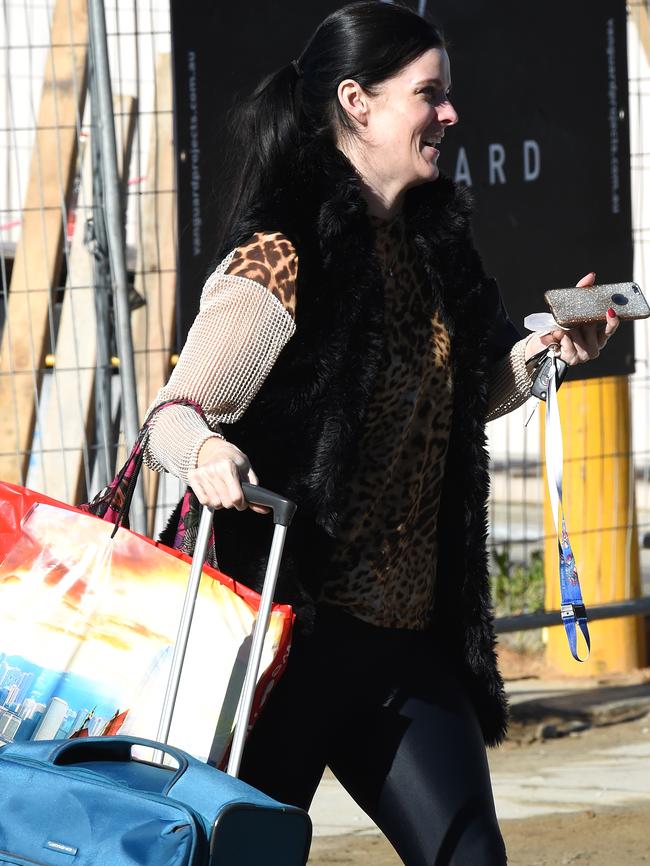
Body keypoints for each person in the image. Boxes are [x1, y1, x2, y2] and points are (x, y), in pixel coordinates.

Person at [144, 4, 619, 863]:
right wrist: (209, 451)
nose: (450, 114)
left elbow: (464, 392)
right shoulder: (281, 257)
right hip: (281, 649)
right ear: (357, 103)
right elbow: (172, 416)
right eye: (429, 95)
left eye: (449, 95)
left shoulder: (438, 247)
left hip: (407, 646)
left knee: (471, 857)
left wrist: (548, 351)